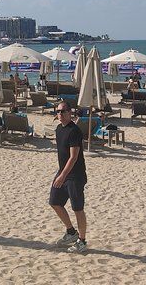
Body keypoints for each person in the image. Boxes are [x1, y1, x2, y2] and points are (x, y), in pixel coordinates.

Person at [49, 100, 88, 253]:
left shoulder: (74, 131)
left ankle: (82, 240)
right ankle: (71, 232)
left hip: (75, 176)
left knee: (77, 208)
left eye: (63, 111)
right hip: (63, 172)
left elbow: (73, 157)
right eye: (58, 111)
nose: (60, 114)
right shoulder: (59, 129)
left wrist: (63, 175)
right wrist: (60, 173)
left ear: (69, 113)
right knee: (54, 202)